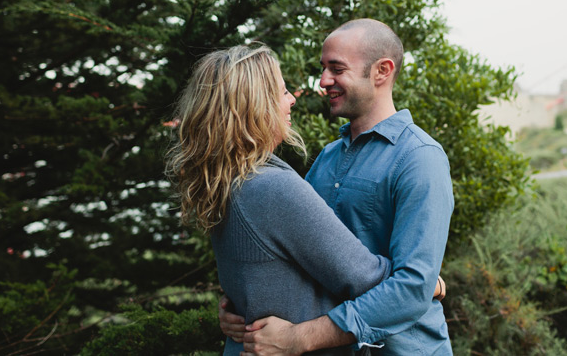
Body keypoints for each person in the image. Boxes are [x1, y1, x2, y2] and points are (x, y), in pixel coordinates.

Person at [223, 19, 455, 355]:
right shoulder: (328, 157)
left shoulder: (419, 158)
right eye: (323, 68)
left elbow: (412, 289)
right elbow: (300, 258)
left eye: (337, 69)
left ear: (382, 71)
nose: (323, 81)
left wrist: (299, 338)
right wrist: (238, 304)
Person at [167, 44, 395, 356]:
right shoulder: (270, 187)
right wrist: (429, 285)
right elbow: (364, 279)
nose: (290, 101)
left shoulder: (229, 182)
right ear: (255, 107)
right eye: (282, 92)